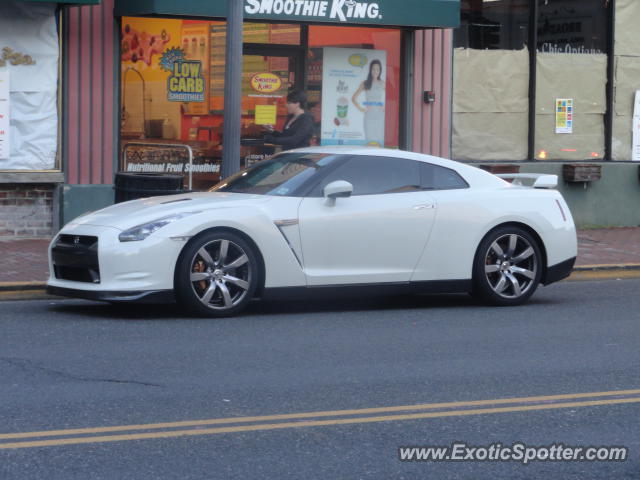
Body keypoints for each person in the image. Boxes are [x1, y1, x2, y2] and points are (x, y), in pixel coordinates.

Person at [351, 59, 385, 146]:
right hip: (369, 117)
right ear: (370, 70)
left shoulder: (382, 83)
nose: (375, 71)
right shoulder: (365, 83)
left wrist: (385, 107)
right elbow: (354, 98)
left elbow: (392, 98)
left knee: (379, 141)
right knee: (369, 141)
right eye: (373, 69)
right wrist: (361, 108)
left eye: (378, 69)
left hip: (379, 117)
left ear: (380, 71)